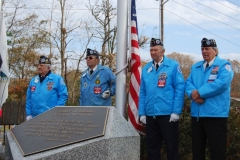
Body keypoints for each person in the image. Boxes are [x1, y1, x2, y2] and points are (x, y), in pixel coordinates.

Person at [185, 38, 234, 160]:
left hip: (216, 115)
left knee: (217, 152)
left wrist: (200, 93)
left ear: (215, 51)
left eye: (207, 49)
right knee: (197, 151)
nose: (204, 51)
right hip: (197, 115)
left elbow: (221, 83)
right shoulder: (195, 67)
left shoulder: (224, 65)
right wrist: (193, 95)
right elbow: (188, 83)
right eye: (202, 49)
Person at [138, 38, 185, 160]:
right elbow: (142, 92)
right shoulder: (146, 68)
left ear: (163, 51)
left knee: (171, 147)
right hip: (151, 114)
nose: (153, 52)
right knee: (152, 148)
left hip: (167, 114)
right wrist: (142, 113)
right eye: (151, 50)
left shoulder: (173, 66)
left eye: (156, 50)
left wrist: (176, 111)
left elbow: (180, 89)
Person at [26, 55, 68, 120]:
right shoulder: (33, 81)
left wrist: (56, 111)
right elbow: (29, 98)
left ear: (48, 68)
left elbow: (63, 96)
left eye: (41, 65)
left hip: (50, 117)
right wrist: (29, 114)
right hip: (34, 117)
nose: (39, 67)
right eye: (39, 65)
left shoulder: (57, 79)